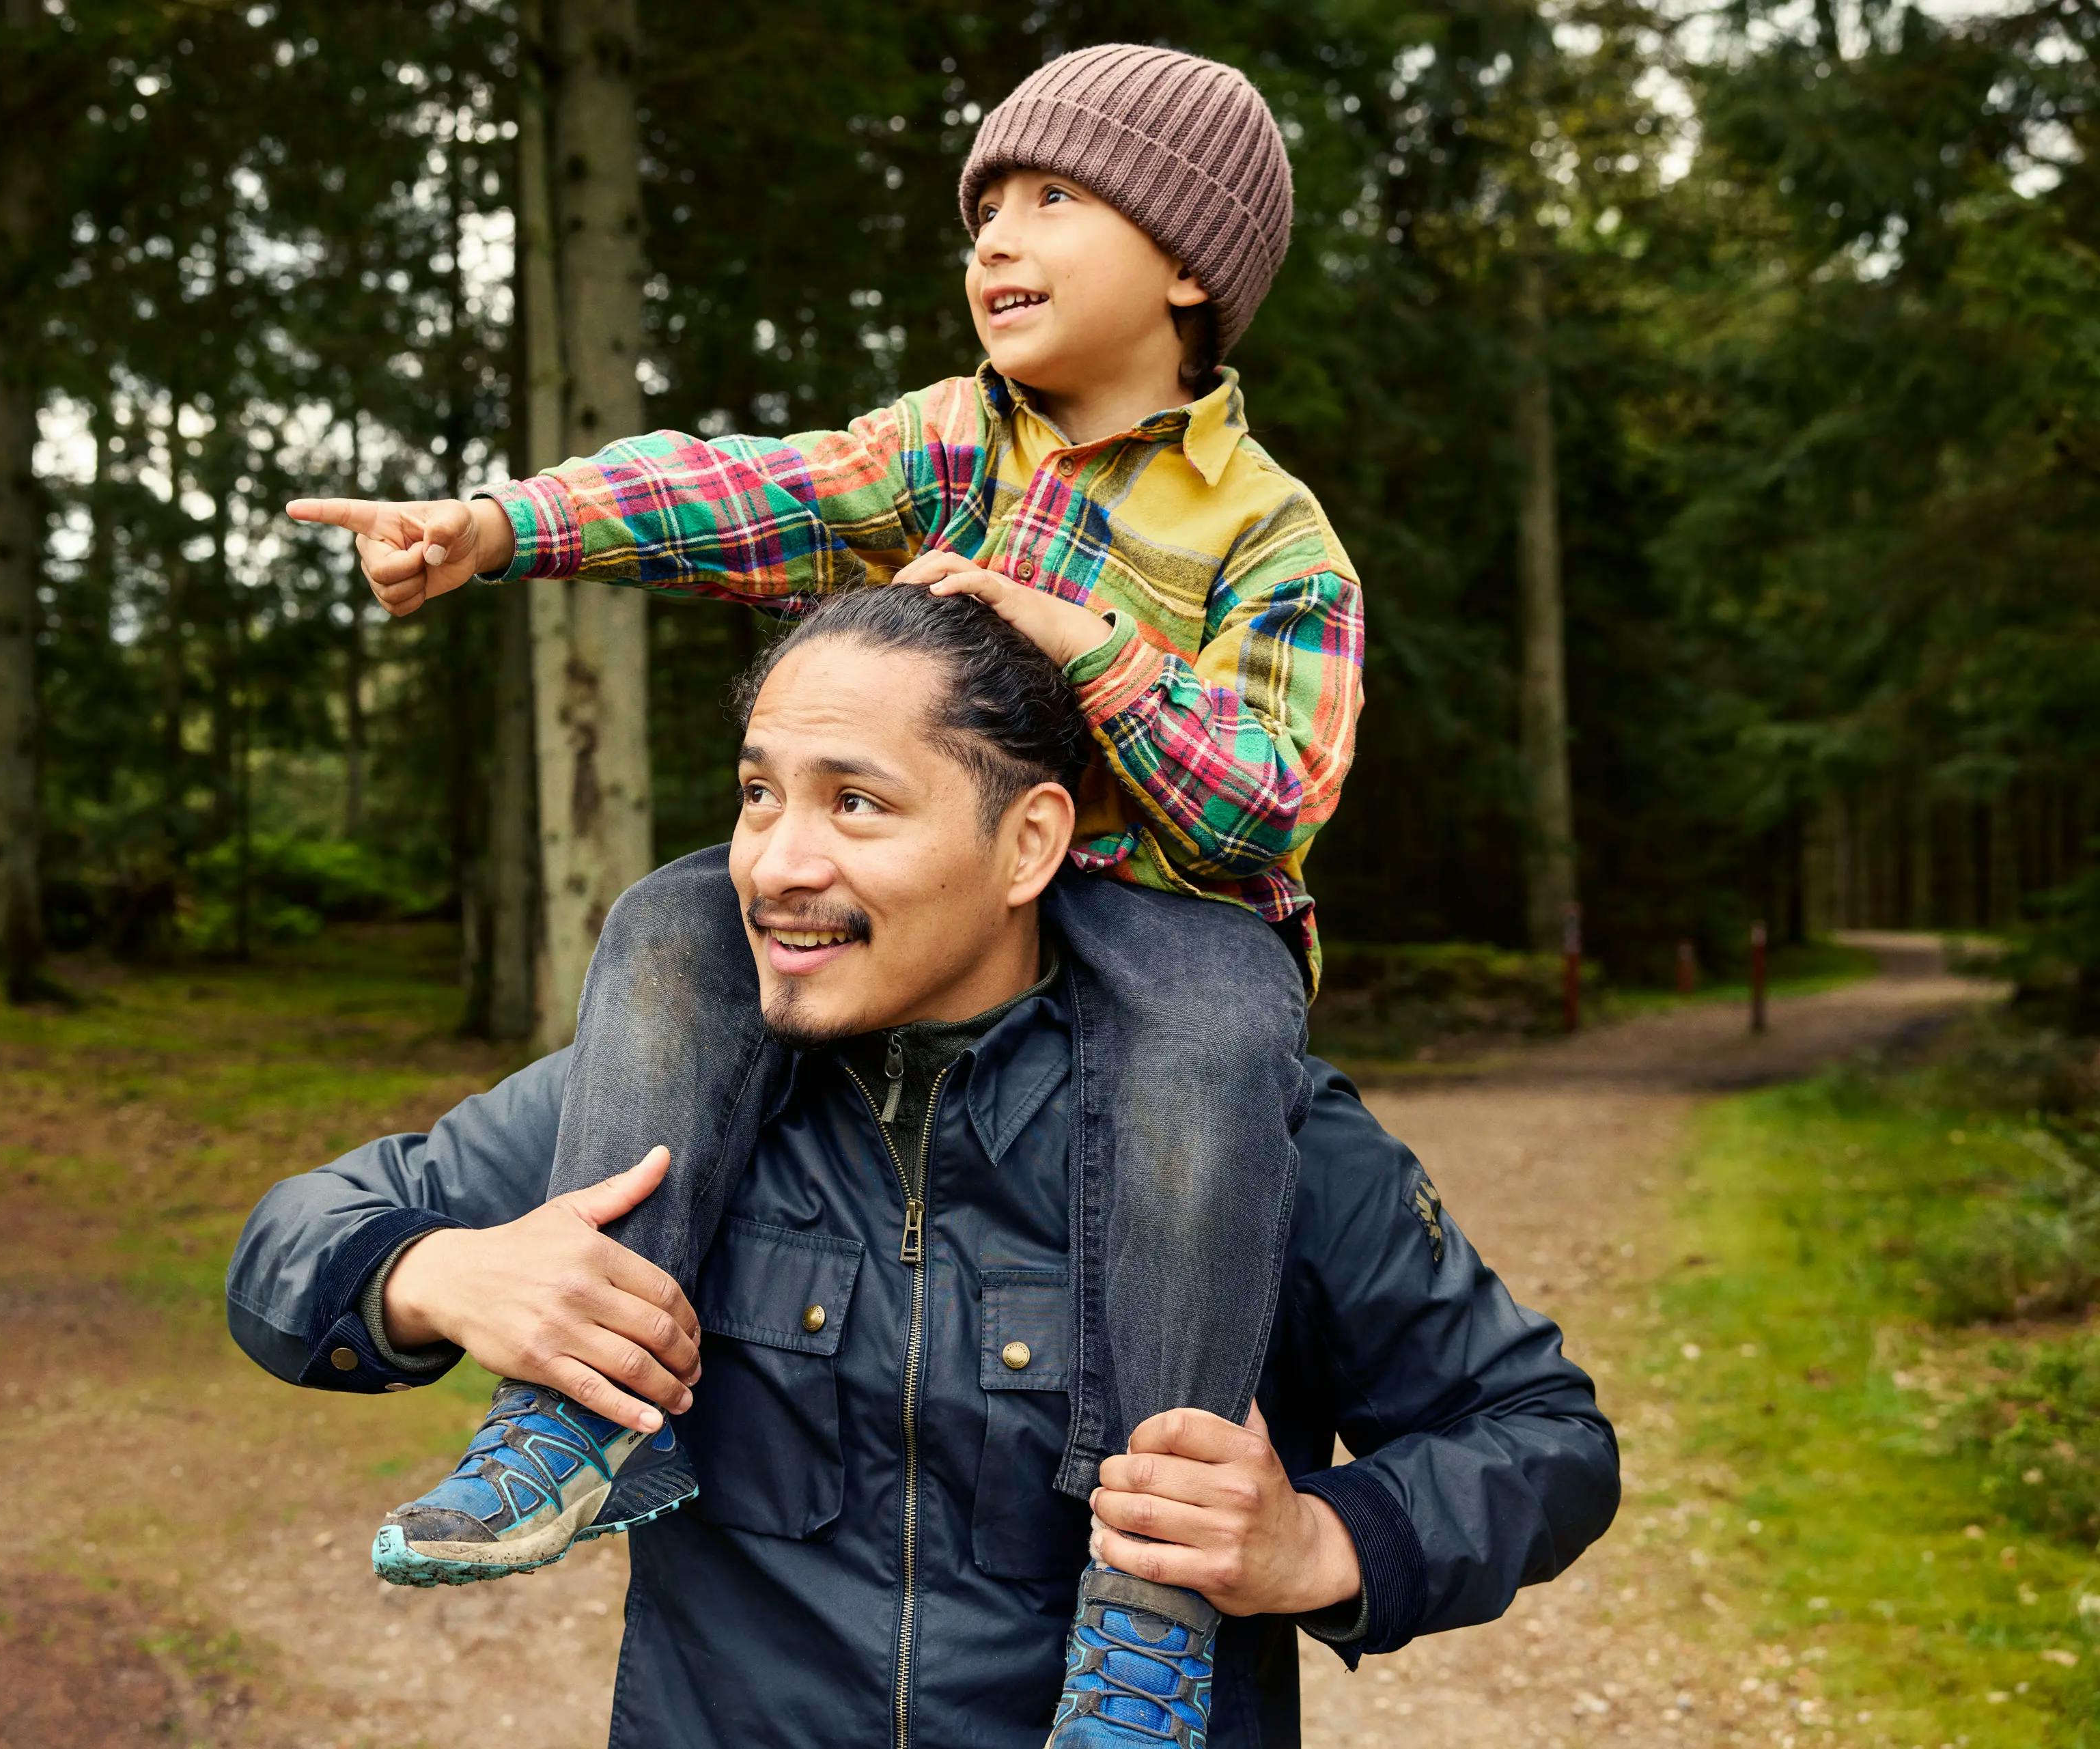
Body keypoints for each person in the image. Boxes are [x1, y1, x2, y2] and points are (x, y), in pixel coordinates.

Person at [285, 46, 1368, 1707]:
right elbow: (749, 488)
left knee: (1219, 1041)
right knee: (667, 914)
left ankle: (1150, 1603)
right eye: (983, 207)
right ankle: (576, 1407)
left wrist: (1075, 640)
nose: (996, 239)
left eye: (1052, 202)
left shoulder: (1270, 532)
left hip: (1171, 932)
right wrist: (505, 525)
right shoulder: (954, 442)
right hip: (933, 898)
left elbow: (1274, 799)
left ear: (1189, 266)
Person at [227, 589, 1616, 1749]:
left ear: (1030, 844)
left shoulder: (1253, 1133)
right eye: (759, 794)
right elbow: (289, 1249)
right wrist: (437, 1273)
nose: (776, 862)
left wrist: (1322, 1544)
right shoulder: (664, 1103)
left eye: (858, 804)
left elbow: (1545, 1439)